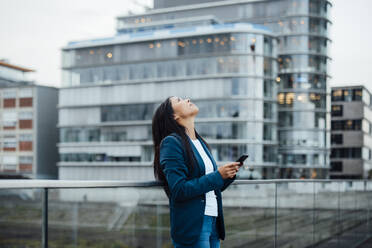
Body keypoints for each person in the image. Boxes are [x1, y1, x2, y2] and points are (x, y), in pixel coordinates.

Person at [152, 96, 242, 248]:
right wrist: (217, 175)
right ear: (174, 116)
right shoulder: (171, 143)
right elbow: (179, 189)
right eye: (179, 100)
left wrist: (226, 176)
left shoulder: (200, 143)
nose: (187, 99)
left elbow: (209, 187)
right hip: (193, 226)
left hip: (213, 220)